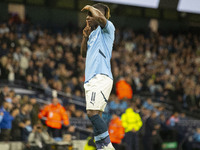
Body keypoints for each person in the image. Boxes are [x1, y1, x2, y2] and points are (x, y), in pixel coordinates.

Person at [81, 3, 115, 149]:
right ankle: (101, 147)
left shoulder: (108, 29)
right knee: (97, 116)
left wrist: (90, 8)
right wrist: (85, 37)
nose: (88, 18)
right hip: (90, 79)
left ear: (98, 15)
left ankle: (107, 147)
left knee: (91, 113)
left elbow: (101, 19)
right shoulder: (93, 34)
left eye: (91, 16)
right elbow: (83, 54)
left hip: (100, 76)